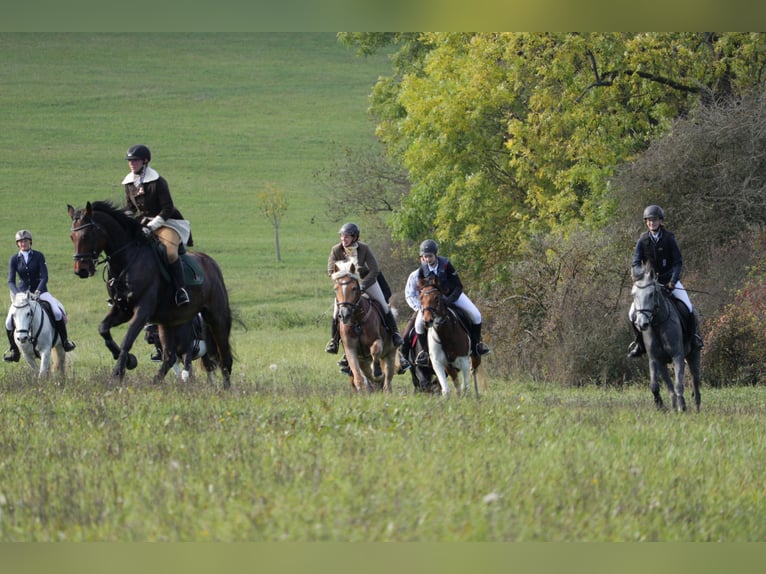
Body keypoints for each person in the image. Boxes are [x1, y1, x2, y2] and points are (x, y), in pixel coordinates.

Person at [326, 223, 410, 372]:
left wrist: (363, 285)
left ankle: (395, 336)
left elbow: (375, 269)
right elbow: (329, 270)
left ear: (354, 237)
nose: (343, 239)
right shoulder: (336, 250)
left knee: (384, 306)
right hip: (347, 286)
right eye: (342, 236)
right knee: (336, 313)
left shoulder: (364, 249)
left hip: (366, 282)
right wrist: (343, 275)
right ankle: (334, 342)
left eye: (346, 236)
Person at [628, 204, 704, 357]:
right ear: (646, 222)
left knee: (689, 309)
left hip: (669, 281)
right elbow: (635, 263)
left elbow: (677, 262)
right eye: (649, 221)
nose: (652, 223)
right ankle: (639, 344)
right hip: (649, 285)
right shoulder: (642, 240)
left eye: (654, 220)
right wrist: (640, 276)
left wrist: (673, 281)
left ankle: (694, 339)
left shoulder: (669, 238)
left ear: (660, 221)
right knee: (631, 314)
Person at [122, 144, 191, 307]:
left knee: (170, 253)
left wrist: (152, 226)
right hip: (142, 223)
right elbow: (130, 208)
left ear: (145, 161)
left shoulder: (158, 181)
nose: (131, 163)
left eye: (135, 160)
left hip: (167, 222)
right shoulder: (129, 183)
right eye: (130, 161)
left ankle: (180, 290)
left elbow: (168, 208)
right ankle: (121, 290)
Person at [411, 239, 490, 366]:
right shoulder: (422, 270)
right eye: (425, 257)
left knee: (476, 315)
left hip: (452, 295)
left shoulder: (446, 265)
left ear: (435, 254)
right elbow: (421, 289)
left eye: (430, 256)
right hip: (433, 302)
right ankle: (425, 353)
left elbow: (458, 286)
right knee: (419, 325)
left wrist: (449, 300)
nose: (427, 259)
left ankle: (476, 346)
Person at [4, 230, 76, 362]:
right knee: (8, 321)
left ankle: (65, 342)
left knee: (57, 312)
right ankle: (14, 350)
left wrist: (37, 291)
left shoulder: (38, 256)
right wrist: (16, 294)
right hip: (21, 295)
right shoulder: (14, 259)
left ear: (30, 242)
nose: (23, 243)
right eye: (20, 241)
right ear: (17, 244)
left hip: (41, 292)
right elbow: (10, 281)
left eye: (25, 241)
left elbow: (44, 276)